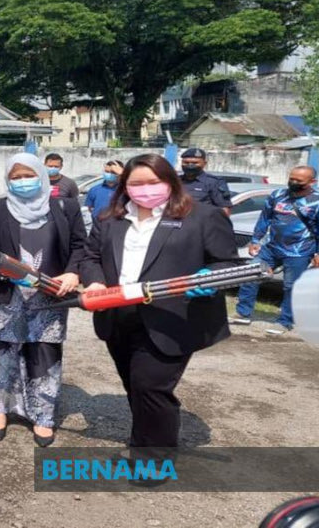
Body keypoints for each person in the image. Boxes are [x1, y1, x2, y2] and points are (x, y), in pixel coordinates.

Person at [80, 153, 238, 455]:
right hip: (117, 314)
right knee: (134, 385)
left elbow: (227, 264)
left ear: (170, 181)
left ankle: (154, 458)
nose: (145, 189)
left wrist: (208, 279)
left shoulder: (203, 216)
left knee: (151, 387)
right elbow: (90, 257)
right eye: (136, 183)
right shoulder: (109, 219)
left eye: (153, 182)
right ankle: (142, 440)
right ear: (125, 186)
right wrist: (96, 281)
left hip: (171, 317)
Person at [0, 153, 85, 446]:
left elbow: (80, 245)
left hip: (51, 294)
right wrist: (13, 273)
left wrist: (72, 274)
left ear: (42, 175)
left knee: (44, 353)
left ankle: (42, 415)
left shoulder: (65, 207)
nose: (23, 182)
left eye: (28, 175)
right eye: (15, 177)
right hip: (3, 293)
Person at [233, 165, 319, 332]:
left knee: (291, 286)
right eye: (292, 178)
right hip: (271, 247)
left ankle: (285, 320)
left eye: (299, 181)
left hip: (299, 251)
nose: (294, 182)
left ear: (312, 182)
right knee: (250, 275)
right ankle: (243, 313)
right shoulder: (278, 195)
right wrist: (255, 240)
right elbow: (265, 218)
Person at [179, 148, 231, 215]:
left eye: (195, 163)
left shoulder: (214, 182)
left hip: (203, 222)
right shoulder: (176, 181)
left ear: (204, 163)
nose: (190, 165)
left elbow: (224, 209)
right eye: (186, 162)